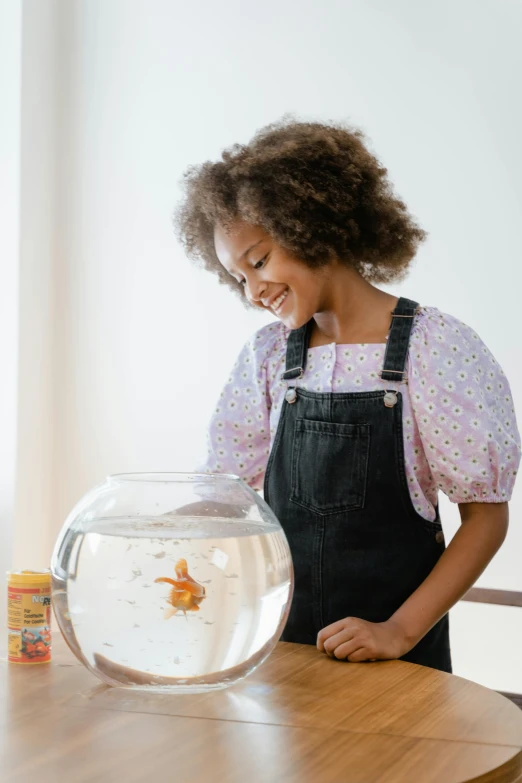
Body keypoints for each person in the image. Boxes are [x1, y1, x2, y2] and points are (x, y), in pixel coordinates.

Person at [174, 118, 521, 672]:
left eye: (259, 261)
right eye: (237, 278)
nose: (253, 291)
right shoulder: (268, 358)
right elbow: (227, 492)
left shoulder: (431, 349)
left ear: (312, 226)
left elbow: (486, 518)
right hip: (284, 661)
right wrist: (155, 528)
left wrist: (398, 632)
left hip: (396, 668)